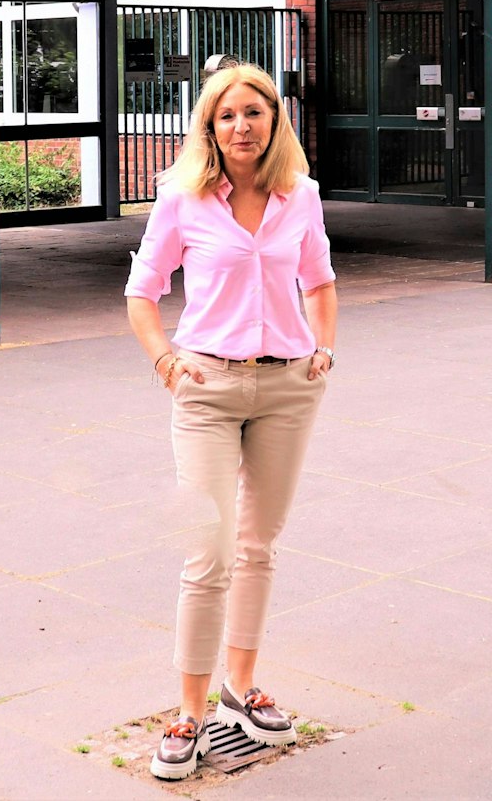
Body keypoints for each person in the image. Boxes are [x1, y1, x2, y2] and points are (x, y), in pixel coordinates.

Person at [123, 60, 338, 781]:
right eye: (227, 115)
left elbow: (321, 281)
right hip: (207, 385)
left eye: (255, 112)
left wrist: (324, 350)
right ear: (209, 127)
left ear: (275, 121)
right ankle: (189, 712)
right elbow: (142, 292)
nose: (242, 125)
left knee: (258, 544)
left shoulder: (300, 196)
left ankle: (242, 689)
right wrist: (166, 362)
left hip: (285, 386)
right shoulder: (182, 200)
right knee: (208, 550)